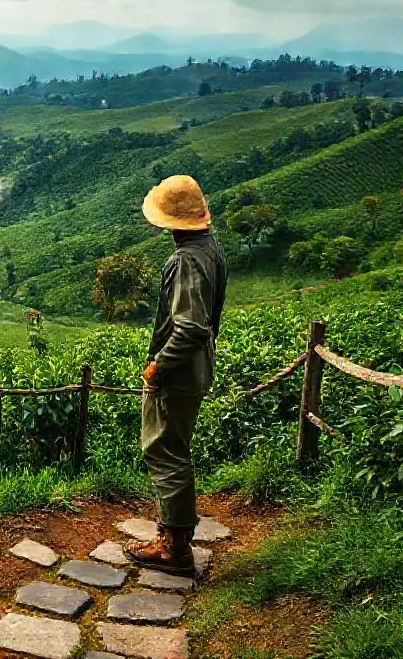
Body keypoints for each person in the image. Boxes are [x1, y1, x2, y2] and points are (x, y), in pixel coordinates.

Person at [125, 175, 228, 575]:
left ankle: (174, 548)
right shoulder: (210, 249)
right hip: (198, 365)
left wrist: (158, 366)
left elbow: (189, 328)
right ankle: (173, 534)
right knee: (175, 448)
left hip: (180, 371)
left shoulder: (185, 260)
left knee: (164, 451)